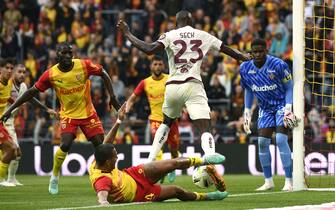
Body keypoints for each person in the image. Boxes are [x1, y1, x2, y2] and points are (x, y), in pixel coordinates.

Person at [117, 10, 250, 162]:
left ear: (176, 22)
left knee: (166, 122)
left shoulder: (170, 35)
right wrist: (243, 57)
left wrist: (128, 34)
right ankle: (209, 154)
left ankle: (150, 160)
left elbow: (149, 49)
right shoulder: (203, 35)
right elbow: (227, 49)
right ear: (191, 21)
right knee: (204, 125)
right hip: (193, 85)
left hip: (173, 86)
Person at [0, 42, 121, 194]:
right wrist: (9, 110)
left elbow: (103, 73)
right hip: (68, 114)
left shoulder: (83, 65)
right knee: (65, 144)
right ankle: (55, 175)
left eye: (71, 53)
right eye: (65, 53)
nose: (69, 56)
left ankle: (110, 178)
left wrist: (112, 96)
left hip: (88, 113)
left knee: (101, 147)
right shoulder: (51, 74)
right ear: (58, 55)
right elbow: (30, 93)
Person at [89, 104, 227, 205]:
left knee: (174, 163)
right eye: (115, 156)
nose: (117, 157)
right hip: (140, 195)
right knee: (177, 191)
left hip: (134, 174)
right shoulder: (102, 180)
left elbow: (106, 143)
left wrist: (119, 120)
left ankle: (205, 160)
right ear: (107, 162)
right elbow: (102, 194)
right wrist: (103, 203)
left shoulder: (97, 161)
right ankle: (207, 197)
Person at [240, 38, 299, 191]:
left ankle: (289, 181)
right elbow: (248, 89)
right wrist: (247, 111)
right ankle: (268, 181)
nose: (258, 54)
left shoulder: (278, 65)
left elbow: (289, 87)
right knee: (262, 143)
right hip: (264, 109)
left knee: (280, 140)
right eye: (255, 52)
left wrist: (288, 109)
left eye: (261, 51)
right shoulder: (245, 68)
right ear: (251, 53)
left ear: (266, 51)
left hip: (280, 105)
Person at [126, 55, 180, 183]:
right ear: (151, 66)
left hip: (172, 119)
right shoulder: (145, 82)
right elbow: (133, 97)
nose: (157, 66)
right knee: (158, 144)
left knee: (174, 149)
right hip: (155, 119)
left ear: (164, 66)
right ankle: (160, 172)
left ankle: (172, 169)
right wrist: (127, 107)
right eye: (155, 64)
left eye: (160, 64)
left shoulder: (170, 79)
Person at [5, 63, 57, 186]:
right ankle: (6, 179)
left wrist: (46, 109)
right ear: (13, 72)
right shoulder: (6, 84)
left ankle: (11, 179)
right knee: (15, 150)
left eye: (24, 72)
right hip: (3, 121)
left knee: (16, 153)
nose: (22, 74)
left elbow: (30, 99)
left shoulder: (22, 86)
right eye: (19, 72)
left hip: (10, 122)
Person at [0, 58, 18, 187]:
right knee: (11, 148)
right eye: (7, 68)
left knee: (16, 151)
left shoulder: (9, 84)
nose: (9, 70)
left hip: (1, 123)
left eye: (12, 68)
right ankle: (1, 180)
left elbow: (6, 98)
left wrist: (15, 102)